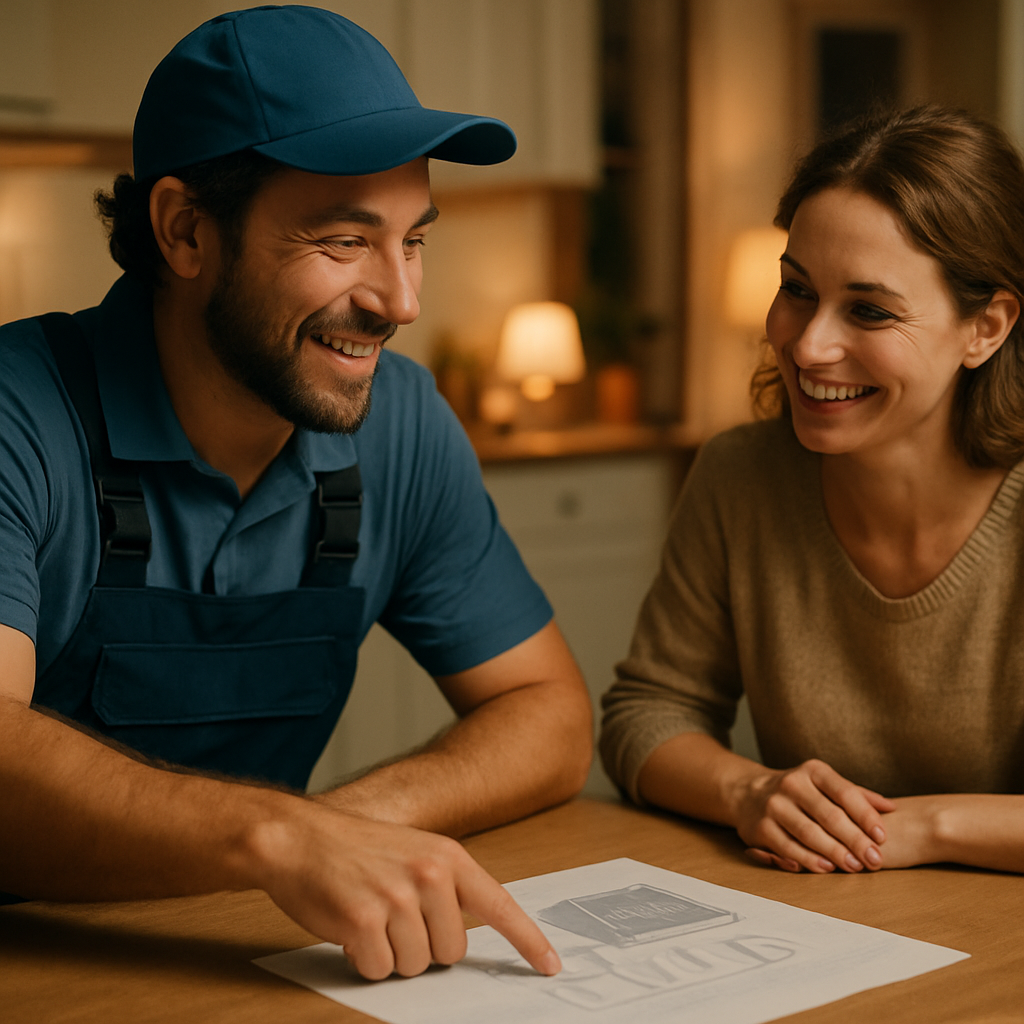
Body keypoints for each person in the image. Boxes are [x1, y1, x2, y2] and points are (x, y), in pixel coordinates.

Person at [0, 6, 593, 980]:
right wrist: (278, 840)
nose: (400, 301)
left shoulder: (400, 420)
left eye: (414, 242)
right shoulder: (19, 412)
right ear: (186, 231)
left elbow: (549, 714)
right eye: (345, 240)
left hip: (241, 954)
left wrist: (335, 830)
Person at [600, 106, 1024, 878]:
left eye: (868, 310)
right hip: (821, 926)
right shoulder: (740, 477)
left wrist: (929, 829)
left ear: (985, 328)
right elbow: (647, 714)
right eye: (796, 290)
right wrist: (749, 790)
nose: (806, 344)